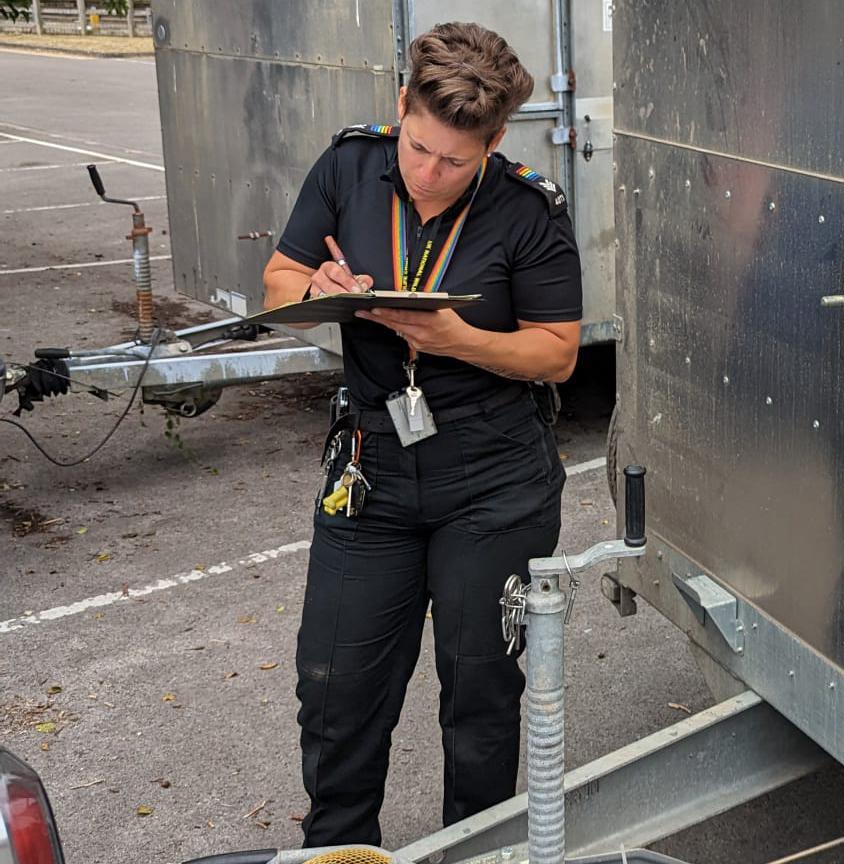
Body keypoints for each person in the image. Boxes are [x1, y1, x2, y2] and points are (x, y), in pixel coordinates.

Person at [259, 21, 581, 847]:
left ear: (496, 140)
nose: (431, 174)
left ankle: (475, 847)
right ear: (401, 106)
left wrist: (458, 340)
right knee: (336, 689)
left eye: (456, 161)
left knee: (480, 700)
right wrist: (319, 285)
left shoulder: (527, 208)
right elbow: (279, 276)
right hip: (371, 463)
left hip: (493, 477)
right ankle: (337, 852)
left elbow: (558, 352)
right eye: (419, 147)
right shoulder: (348, 166)